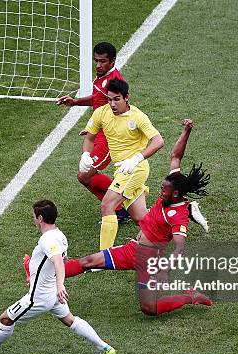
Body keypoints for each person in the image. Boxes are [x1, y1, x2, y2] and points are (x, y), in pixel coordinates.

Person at [57, 119, 213, 316]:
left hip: (149, 260)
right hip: (133, 248)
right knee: (89, 261)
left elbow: (180, 247)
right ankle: (40, 273)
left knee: (149, 309)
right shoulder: (175, 184)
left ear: (175, 194)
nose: (160, 191)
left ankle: (190, 297)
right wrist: (186, 132)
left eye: (164, 190)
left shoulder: (178, 215)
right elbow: (175, 156)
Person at [0, 200, 116, 354]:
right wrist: (34, 274)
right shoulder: (60, 236)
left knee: (5, 319)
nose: (33, 220)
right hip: (51, 293)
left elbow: (58, 261)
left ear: (40, 218)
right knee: (70, 320)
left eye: (33, 216)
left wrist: (60, 285)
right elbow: (61, 262)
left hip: (39, 298)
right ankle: (104, 347)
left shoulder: (47, 240)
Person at [81, 78, 165, 250]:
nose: (112, 103)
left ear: (127, 97)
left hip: (135, 169)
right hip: (120, 170)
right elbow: (89, 137)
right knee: (141, 218)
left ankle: (104, 256)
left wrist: (136, 159)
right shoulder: (101, 113)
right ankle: (183, 211)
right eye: (109, 99)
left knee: (107, 205)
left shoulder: (138, 117)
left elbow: (158, 141)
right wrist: (85, 154)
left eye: (116, 99)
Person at [57, 42, 130, 223]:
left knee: (84, 175)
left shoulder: (114, 82)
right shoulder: (102, 78)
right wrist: (75, 102)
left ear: (112, 61)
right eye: (96, 61)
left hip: (109, 137)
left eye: (103, 61)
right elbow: (98, 100)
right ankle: (120, 209)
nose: (98, 65)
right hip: (99, 132)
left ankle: (128, 197)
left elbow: (120, 109)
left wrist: (96, 126)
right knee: (84, 176)